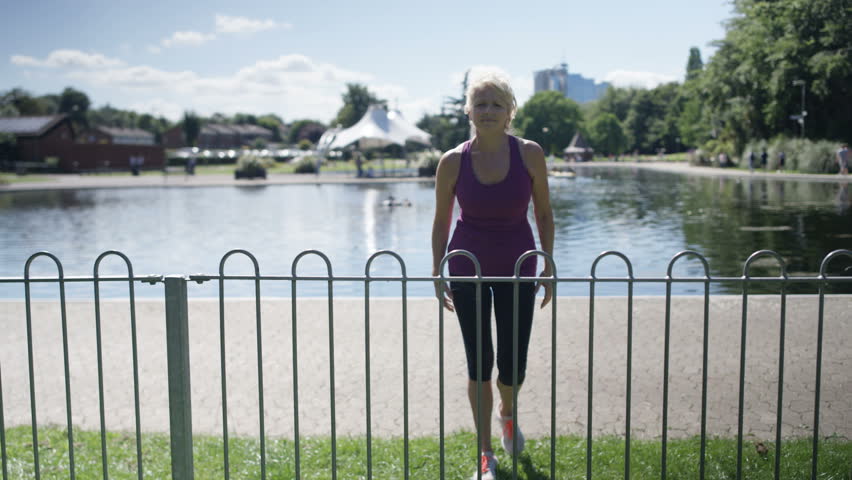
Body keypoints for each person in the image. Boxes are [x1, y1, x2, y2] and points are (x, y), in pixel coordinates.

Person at [431, 70, 554, 480]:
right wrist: (437, 270)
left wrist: (549, 262)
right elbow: (441, 221)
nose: (487, 111)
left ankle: (508, 412)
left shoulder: (529, 153)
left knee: (512, 363)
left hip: (519, 265)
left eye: (496, 104)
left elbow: (544, 212)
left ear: (509, 112)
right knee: (479, 363)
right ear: (469, 111)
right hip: (468, 267)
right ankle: (485, 453)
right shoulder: (452, 161)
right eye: (480, 104)